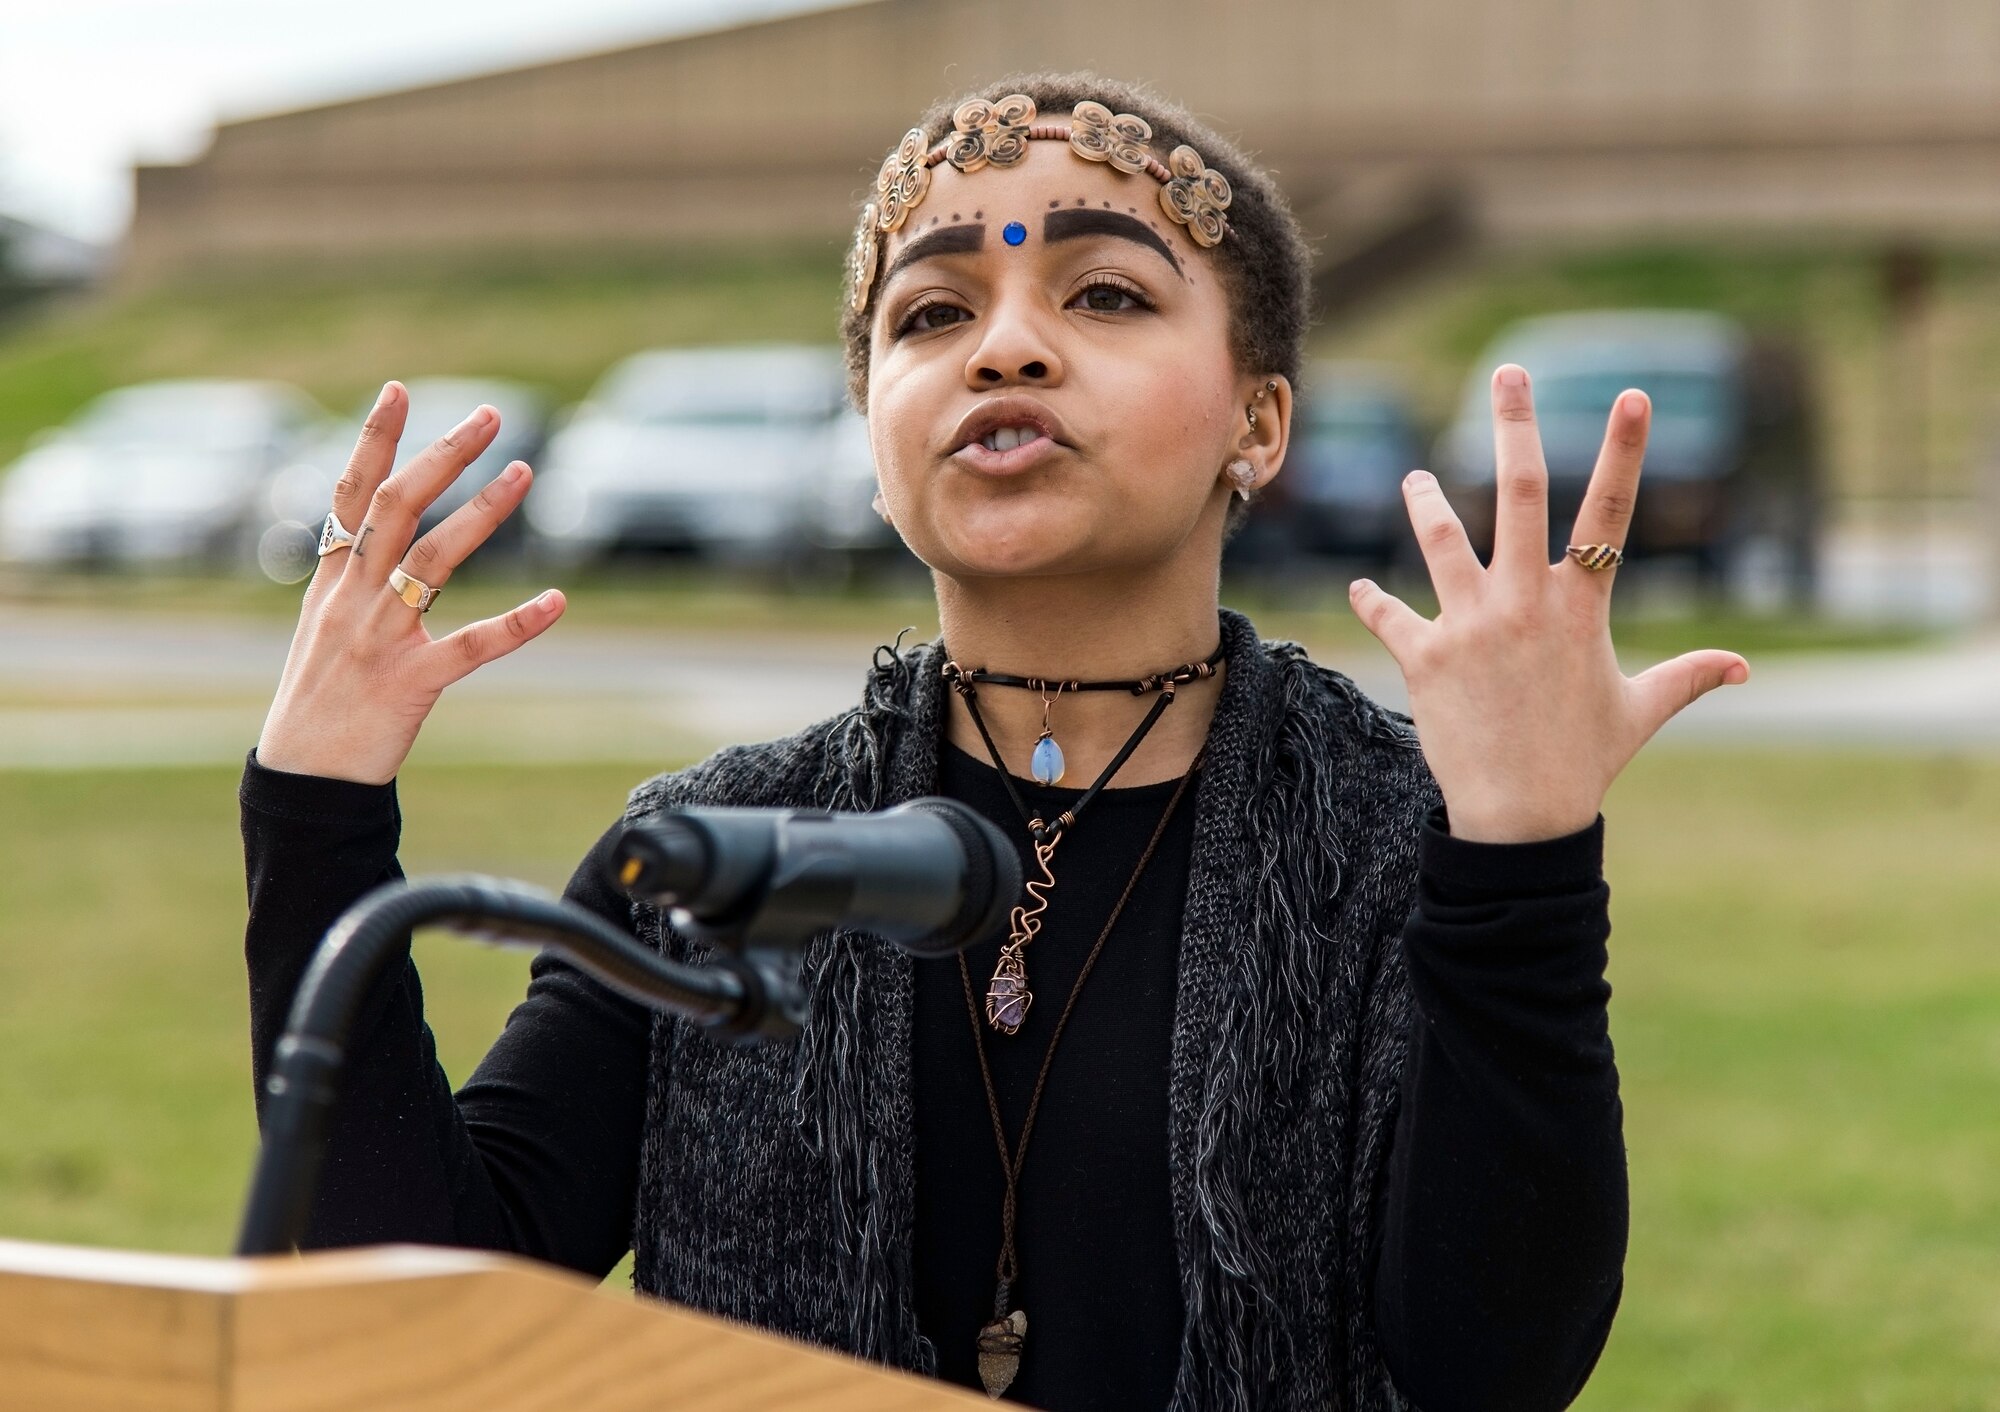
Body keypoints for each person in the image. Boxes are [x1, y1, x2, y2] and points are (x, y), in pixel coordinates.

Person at [241, 72, 1749, 1412]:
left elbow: (1493, 1367)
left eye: (1104, 296)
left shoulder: (1399, 842)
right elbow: (436, 1288)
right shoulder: (726, 851)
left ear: (1261, 421)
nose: (1005, 349)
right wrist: (315, 803)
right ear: (873, 428)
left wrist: (1527, 858)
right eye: (934, 313)